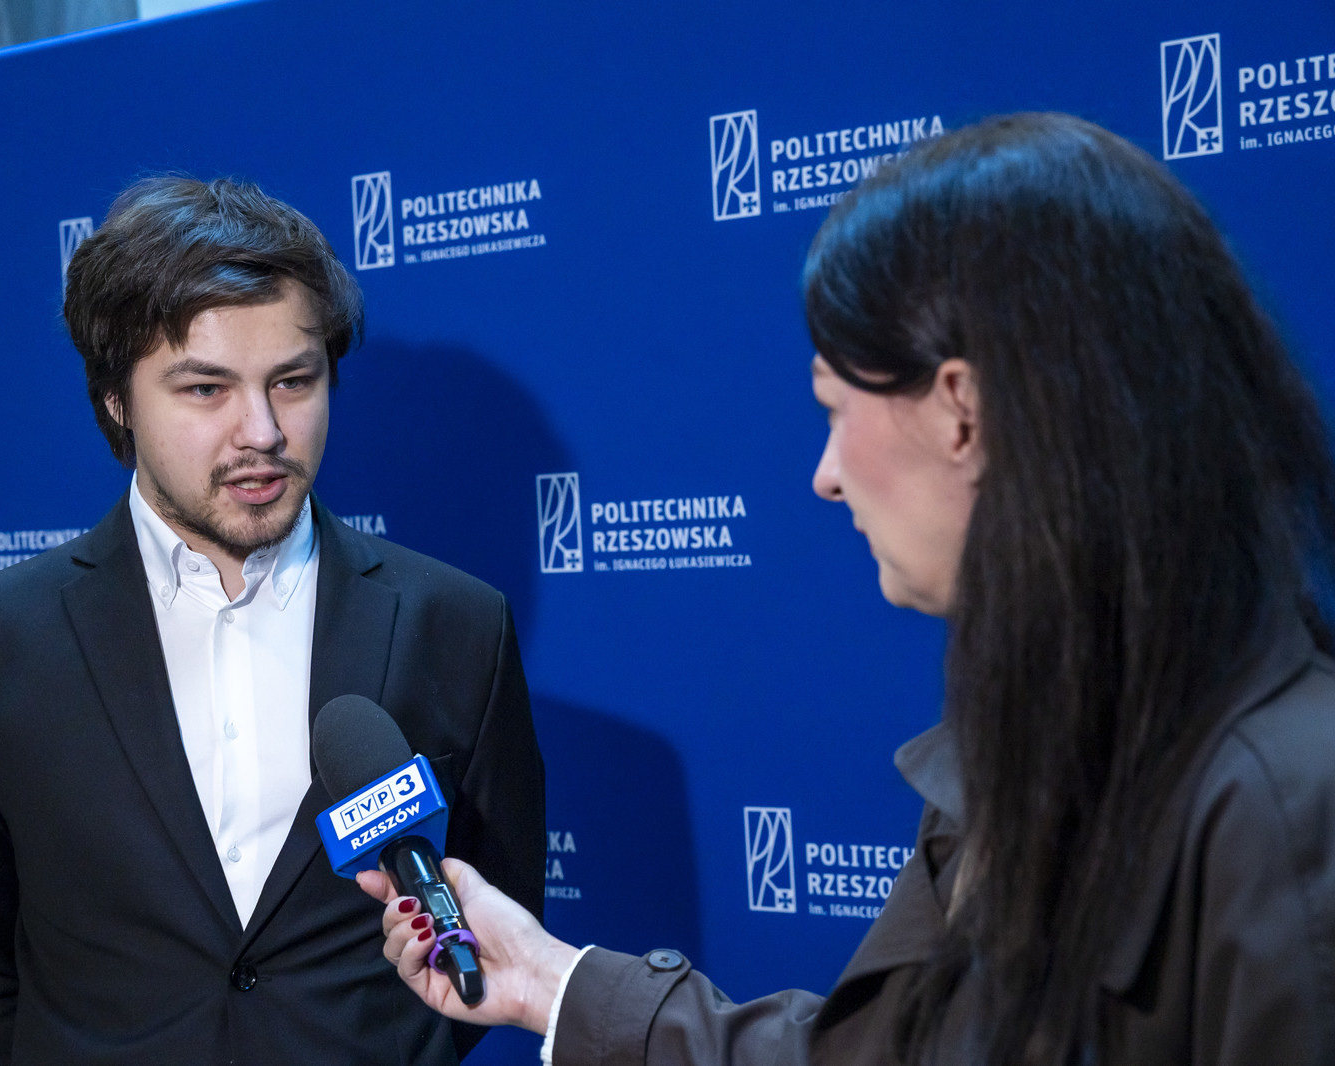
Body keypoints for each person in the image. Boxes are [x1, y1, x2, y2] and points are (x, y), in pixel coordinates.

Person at [359, 112, 1335, 1065]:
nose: (825, 477)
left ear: (960, 410)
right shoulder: (1043, 734)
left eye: (834, 406)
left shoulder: (1287, 802)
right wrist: (551, 981)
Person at [0, 176, 545, 1066]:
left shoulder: (459, 625)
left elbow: (492, 926)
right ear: (117, 400)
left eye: (294, 381)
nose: (263, 431)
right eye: (206, 389)